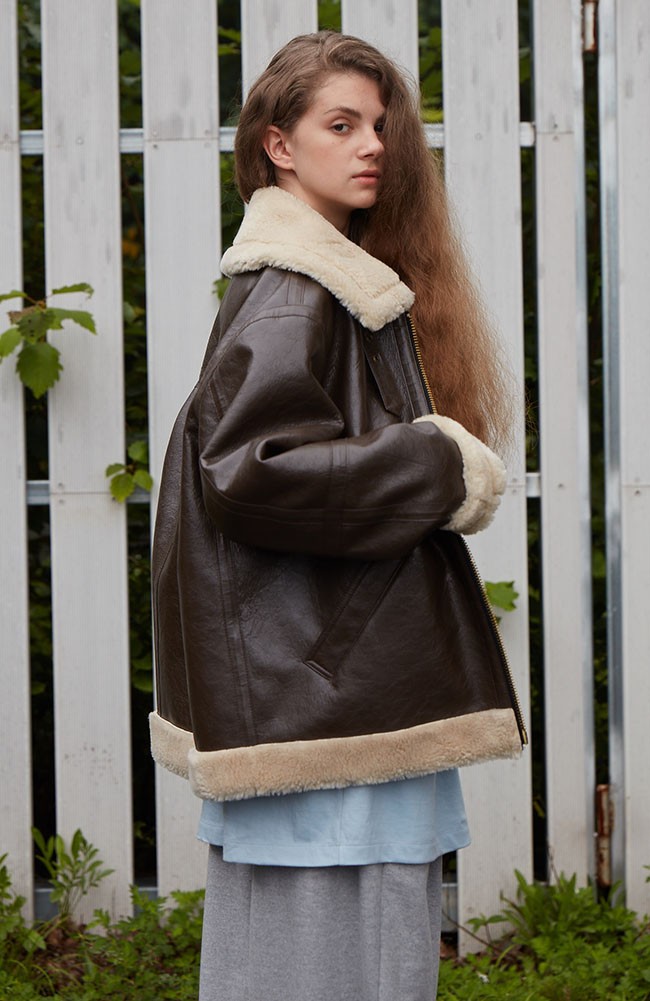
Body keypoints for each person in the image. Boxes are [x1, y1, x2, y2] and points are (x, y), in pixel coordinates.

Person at [150, 30, 526, 1001]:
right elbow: (251, 470)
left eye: (381, 125)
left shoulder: (333, 281)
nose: (373, 146)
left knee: (331, 947)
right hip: (327, 684)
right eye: (341, 124)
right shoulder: (295, 289)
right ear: (278, 145)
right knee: (333, 947)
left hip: (333, 679)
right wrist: (437, 461)